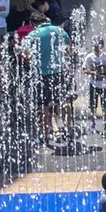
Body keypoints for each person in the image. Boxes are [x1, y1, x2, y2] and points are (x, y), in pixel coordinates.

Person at [27, 12, 70, 140]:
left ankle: (46, 132)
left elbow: (26, 54)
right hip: (59, 72)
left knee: (44, 104)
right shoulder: (59, 30)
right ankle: (66, 127)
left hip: (42, 74)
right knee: (61, 100)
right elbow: (68, 47)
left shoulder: (33, 35)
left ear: (33, 24)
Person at [84, 38, 106, 128]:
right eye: (95, 47)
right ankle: (93, 123)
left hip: (105, 84)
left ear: (102, 47)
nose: (97, 49)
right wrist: (93, 73)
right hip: (93, 84)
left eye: (98, 47)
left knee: (105, 105)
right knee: (93, 105)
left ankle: (105, 122)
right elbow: (84, 69)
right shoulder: (89, 57)